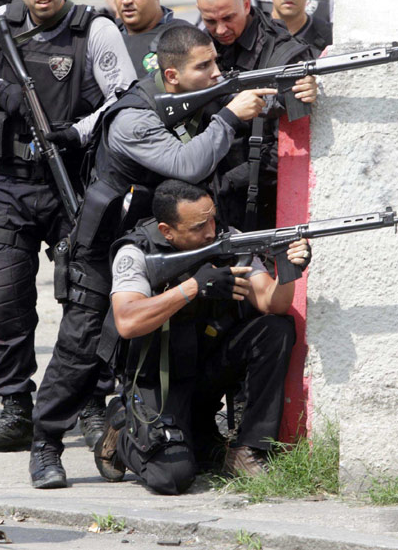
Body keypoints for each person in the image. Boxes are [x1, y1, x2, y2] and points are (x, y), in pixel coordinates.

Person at [29, 25, 276, 489]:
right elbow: (190, 165)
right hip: (104, 250)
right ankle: (45, 445)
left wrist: (280, 94)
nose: (216, 73)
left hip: (165, 242)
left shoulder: (193, 97)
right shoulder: (134, 119)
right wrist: (228, 116)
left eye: (216, 63)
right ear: (172, 76)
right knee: (82, 350)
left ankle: (145, 427)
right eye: (204, 67)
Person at [0, 0, 135, 461]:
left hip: (71, 184)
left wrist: (77, 133)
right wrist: (3, 93)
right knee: (6, 303)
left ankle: (87, 404)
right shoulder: (0, 27)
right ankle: (16, 408)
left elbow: (124, 99)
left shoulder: (95, 29)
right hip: (10, 186)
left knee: (85, 300)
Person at [94, 179, 310, 494]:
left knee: (276, 328)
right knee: (173, 477)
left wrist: (289, 268)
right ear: (167, 230)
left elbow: (272, 303)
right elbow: (127, 321)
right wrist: (193, 287)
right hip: (158, 381)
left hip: (206, 371)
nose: (210, 231)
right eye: (198, 226)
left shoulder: (229, 240)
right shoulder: (136, 252)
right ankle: (123, 426)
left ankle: (248, 450)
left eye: (212, 218)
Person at [195, 0, 316, 232]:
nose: (220, 29)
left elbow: (289, 148)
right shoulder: (198, 48)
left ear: (247, 4)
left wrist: (225, 183)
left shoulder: (285, 55)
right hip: (204, 197)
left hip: (262, 201)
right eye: (210, 21)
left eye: (228, 17)